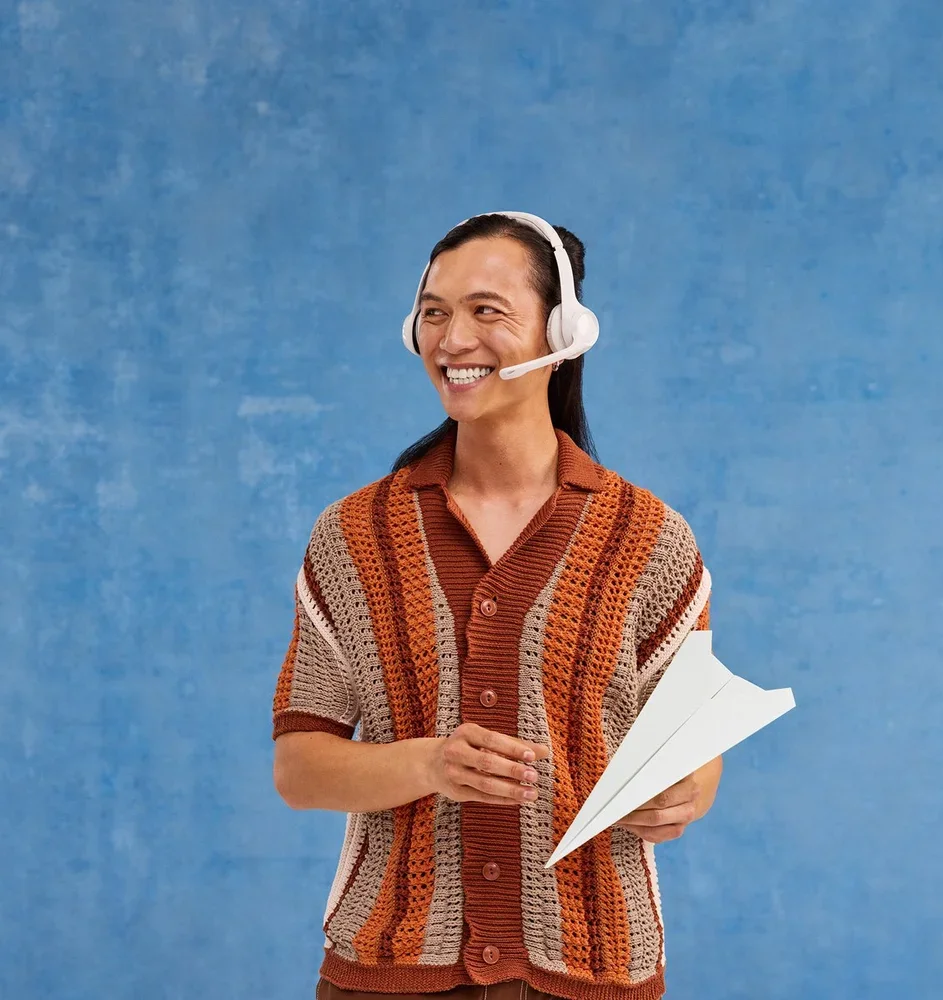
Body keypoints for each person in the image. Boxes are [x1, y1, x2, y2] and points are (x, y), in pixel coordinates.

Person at [271, 212, 723, 1000]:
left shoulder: (649, 539)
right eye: (435, 312)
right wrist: (427, 763)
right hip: (390, 973)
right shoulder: (356, 536)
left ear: (564, 331)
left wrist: (691, 789)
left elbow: (692, 743)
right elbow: (299, 768)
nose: (452, 339)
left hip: (593, 969)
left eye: (487, 310)